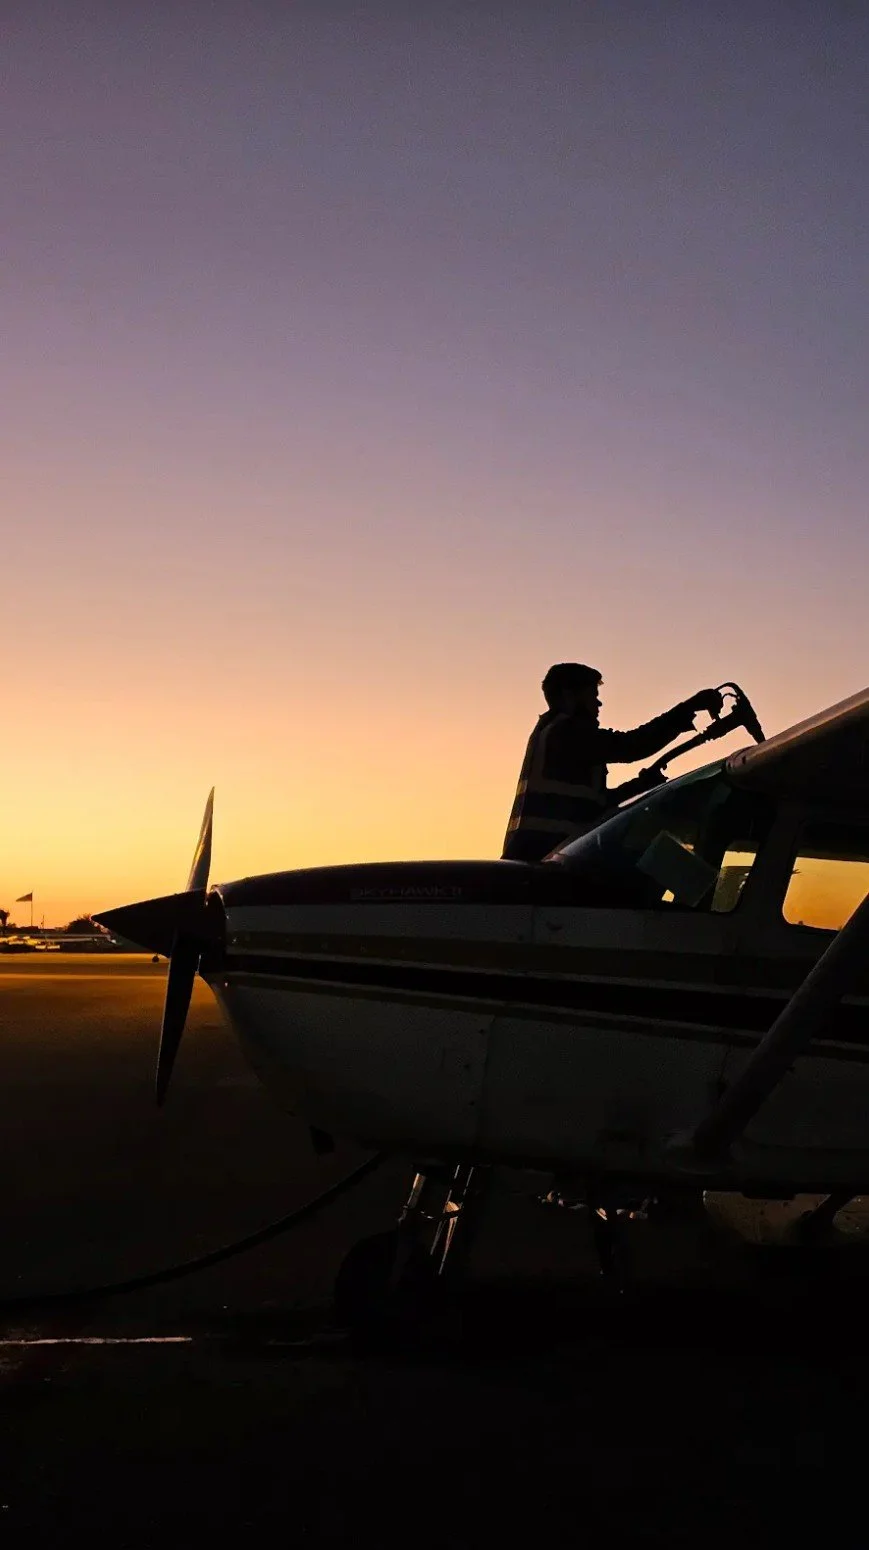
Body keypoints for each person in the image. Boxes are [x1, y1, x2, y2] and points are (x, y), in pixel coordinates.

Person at [502, 663, 723, 862]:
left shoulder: (554, 734)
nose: (598, 702)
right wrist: (688, 708)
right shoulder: (565, 733)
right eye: (592, 695)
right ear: (569, 695)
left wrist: (639, 785)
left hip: (555, 858)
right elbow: (633, 745)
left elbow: (597, 806)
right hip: (548, 862)